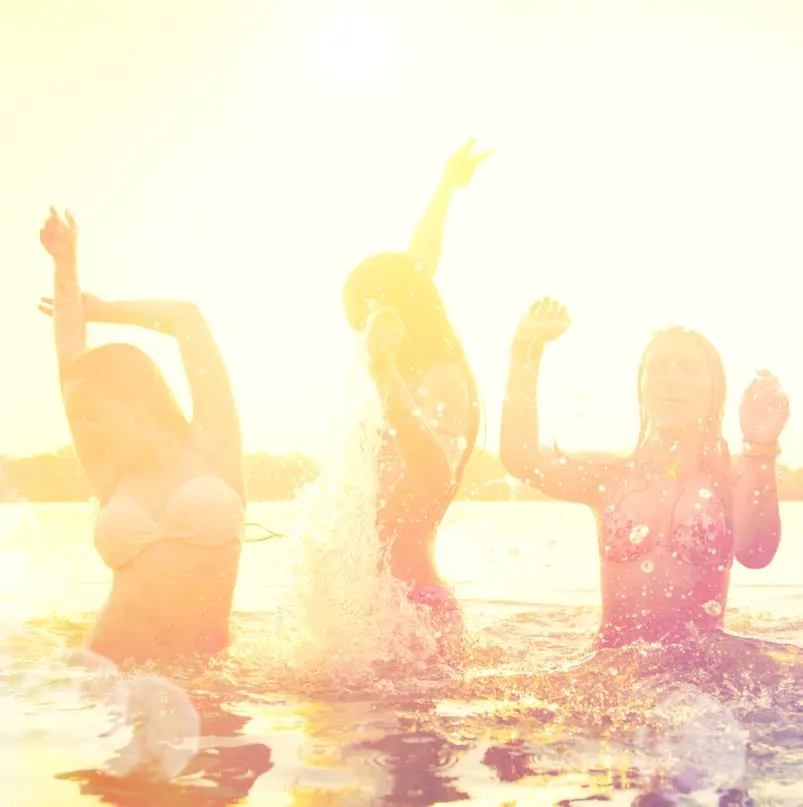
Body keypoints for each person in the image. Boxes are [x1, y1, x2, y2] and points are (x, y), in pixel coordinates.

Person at [501, 297, 790, 651]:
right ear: (641, 386)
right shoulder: (610, 475)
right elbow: (521, 458)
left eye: (687, 368)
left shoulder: (732, 475)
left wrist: (761, 445)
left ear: (715, 387)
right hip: (614, 673)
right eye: (658, 368)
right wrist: (525, 352)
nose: (671, 378)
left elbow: (757, 554)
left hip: (703, 681)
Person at [38, 208, 245, 665]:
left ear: (136, 397)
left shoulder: (212, 447)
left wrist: (105, 311)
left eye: (95, 414)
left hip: (209, 677)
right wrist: (65, 264)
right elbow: (68, 354)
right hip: (111, 675)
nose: (86, 430)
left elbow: (187, 320)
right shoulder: (112, 472)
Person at [341, 141, 489, 657]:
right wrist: (446, 188)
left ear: (400, 312)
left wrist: (383, 371)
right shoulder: (400, 380)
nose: (364, 333)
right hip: (377, 602)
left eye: (369, 317)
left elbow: (432, 472)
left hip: (417, 603)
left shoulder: (443, 379)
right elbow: (418, 264)